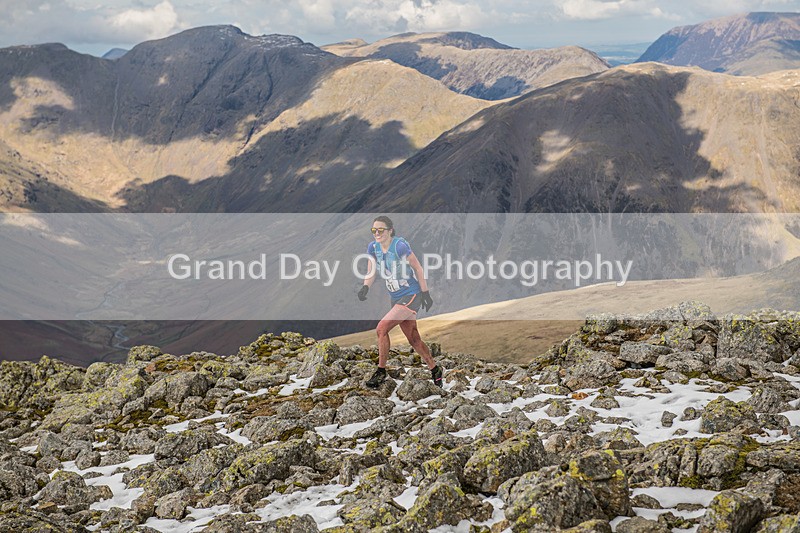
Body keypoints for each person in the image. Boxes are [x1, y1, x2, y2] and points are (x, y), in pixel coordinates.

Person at [357, 216, 441, 389]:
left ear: (390, 231)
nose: (377, 233)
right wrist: (365, 287)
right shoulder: (373, 248)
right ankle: (435, 369)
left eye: (381, 230)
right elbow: (371, 271)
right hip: (395, 297)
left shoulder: (399, 246)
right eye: (374, 230)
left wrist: (425, 293)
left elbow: (417, 268)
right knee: (414, 339)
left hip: (411, 294)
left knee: (381, 328)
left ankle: (381, 371)